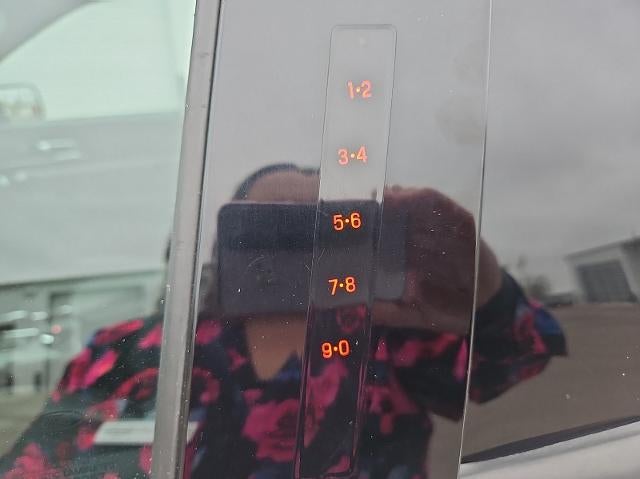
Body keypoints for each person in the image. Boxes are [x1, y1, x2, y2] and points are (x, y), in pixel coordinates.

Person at [0, 164, 566, 479]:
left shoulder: (386, 338)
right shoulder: (131, 349)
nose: (292, 252)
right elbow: (32, 465)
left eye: (314, 229)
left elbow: (516, 360)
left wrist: (483, 286)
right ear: (223, 244)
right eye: (267, 230)